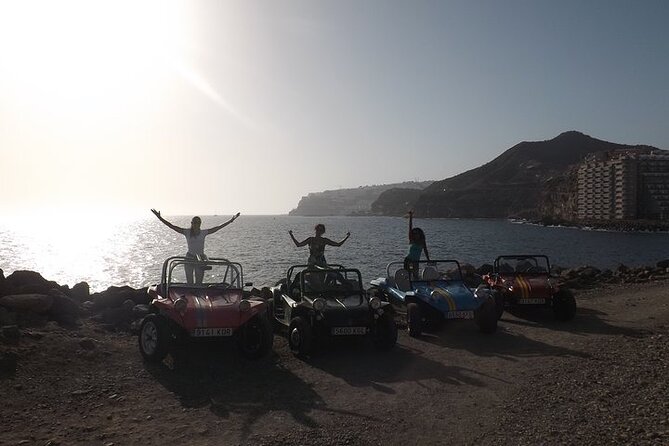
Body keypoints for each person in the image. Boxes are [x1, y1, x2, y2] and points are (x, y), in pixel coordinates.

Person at [151, 209, 240, 284]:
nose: (197, 224)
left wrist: (231, 220)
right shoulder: (187, 232)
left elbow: (218, 227)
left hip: (200, 259)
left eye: (198, 222)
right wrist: (160, 218)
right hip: (189, 258)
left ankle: (199, 298)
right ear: (192, 223)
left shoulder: (203, 233)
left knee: (199, 283)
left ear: (200, 223)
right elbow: (172, 226)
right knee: (190, 283)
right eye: (195, 222)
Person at [404, 211, 430, 278]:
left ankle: (416, 285)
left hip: (416, 261)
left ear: (420, 234)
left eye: (417, 233)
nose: (416, 235)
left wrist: (428, 259)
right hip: (409, 260)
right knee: (408, 275)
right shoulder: (412, 240)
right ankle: (408, 286)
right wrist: (411, 217)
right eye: (414, 234)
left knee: (415, 275)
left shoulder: (422, 241)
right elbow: (410, 228)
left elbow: (425, 251)